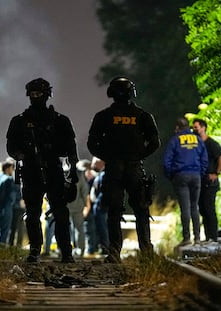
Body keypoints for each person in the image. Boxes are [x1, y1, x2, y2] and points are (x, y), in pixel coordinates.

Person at [87, 77, 161, 263]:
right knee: (141, 210)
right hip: (134, 168)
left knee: (114, 211)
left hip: (113, 169)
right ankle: (146, 252)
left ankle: (114, 252)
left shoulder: (103, 116)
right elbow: (155, 142)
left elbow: (92, 143)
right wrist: (139, 155)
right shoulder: (143, 116)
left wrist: (108, 157)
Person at [6, 77, 79, 263]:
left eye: (38, 94)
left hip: (53, 170)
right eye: (32, 94)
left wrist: (73, 175)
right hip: (31, 171)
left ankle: (66, 251)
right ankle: (35, 249)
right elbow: (11, 147)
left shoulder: (60, 121)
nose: (35, 97)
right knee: (32, 214)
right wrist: (23, 155)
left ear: (47, 95)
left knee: (61, 213)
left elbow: (71, 149)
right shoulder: (19, 121)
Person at [163, 117, 208, 246]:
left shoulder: (175, 140)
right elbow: (204, 159)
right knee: (195, 206)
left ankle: (187, 238)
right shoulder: (198, 140)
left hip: (181, 176)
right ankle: (198, 238)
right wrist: (200, 173)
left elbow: (167, 161)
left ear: (178, 128)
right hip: (196, 176)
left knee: (185, 207)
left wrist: (171, 175)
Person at [192, 118, 221, 244]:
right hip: (200, 180)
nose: (194, 130)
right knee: (202, 209)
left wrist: (216, 173)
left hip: (209, 181)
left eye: (196, 127)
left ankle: (213, 237)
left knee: (209, 208)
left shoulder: (211, 143)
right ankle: (208, 237)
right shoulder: (196, 143)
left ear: (203, 127)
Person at [67, 161, 91, 257]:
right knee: (79, 228)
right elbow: (84, 191)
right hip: (78, 206)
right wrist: (86, 205)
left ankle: (65, 249)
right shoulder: (79, 175)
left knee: (65, 228)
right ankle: (80, 250)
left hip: (65, 206)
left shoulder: (62, 173)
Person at [90, 157, 109, 254]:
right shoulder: (103, 175)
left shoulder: (103, 175)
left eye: (95, 163)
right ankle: (103, 246)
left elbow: (98, 190)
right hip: (100, 206)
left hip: (100, 206)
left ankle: (105, 247)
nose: (92, 165)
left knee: (102, 228)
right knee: (102, 228)